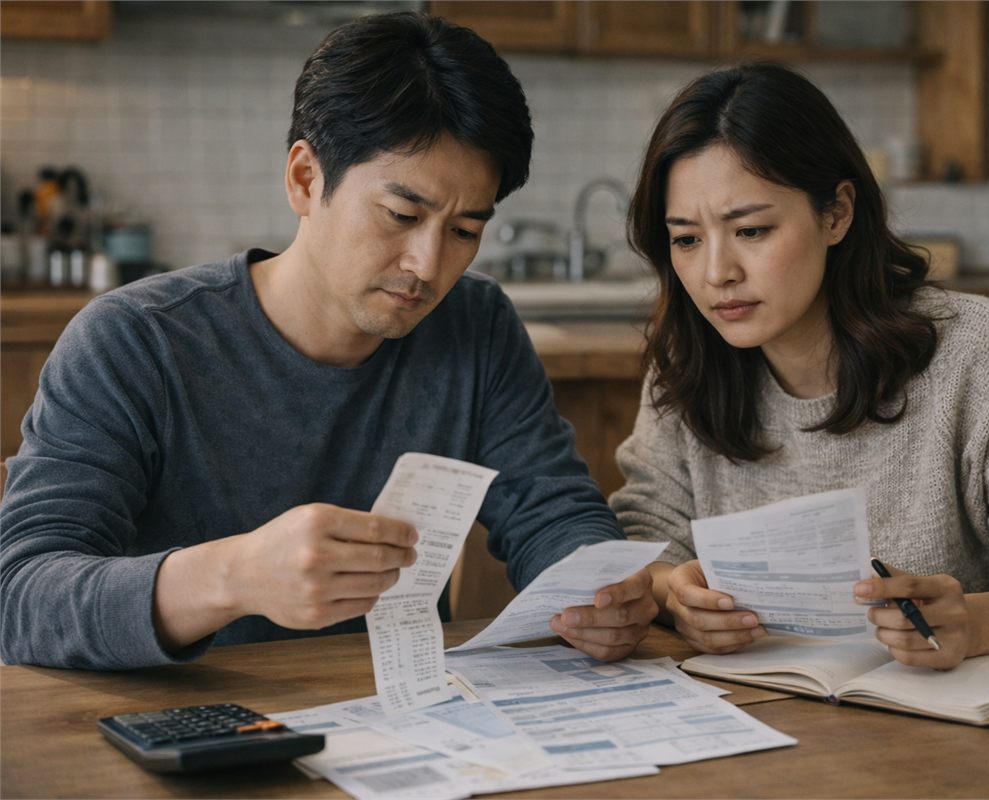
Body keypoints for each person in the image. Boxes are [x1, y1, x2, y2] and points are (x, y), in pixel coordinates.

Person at [0, 12, 656, 670]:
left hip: (408, 724)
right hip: (185, 729)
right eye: (403, 215)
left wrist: (599, 594)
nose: (428, 266)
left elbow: (550, 508)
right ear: (305, 179)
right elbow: (21, 596)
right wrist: (232, 575)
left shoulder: (474, 324)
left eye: (464, 230)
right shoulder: (134, 341)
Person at [610, 63, 989, 668]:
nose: (716, 274)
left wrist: (977, 621)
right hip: (757, 717)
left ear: (836, 213)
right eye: (686, 239)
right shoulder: (688, 354)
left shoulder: (971, 347)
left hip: (945, 733)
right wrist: (673, 595)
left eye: (752, 230)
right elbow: (645, 533)